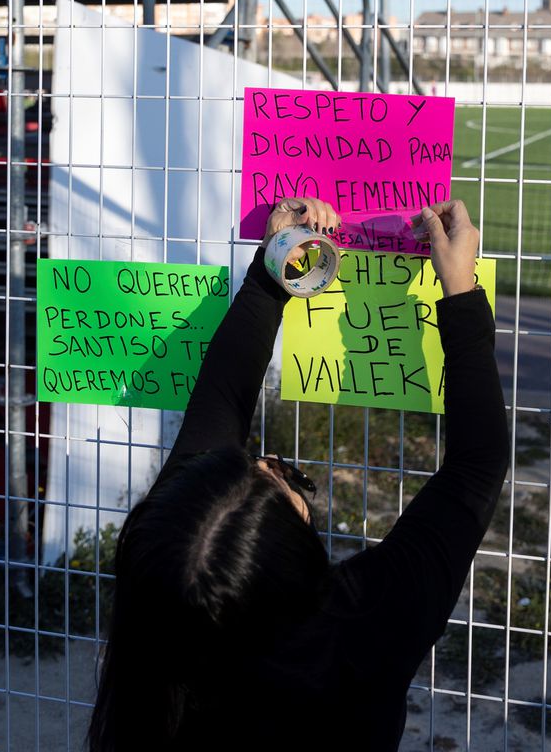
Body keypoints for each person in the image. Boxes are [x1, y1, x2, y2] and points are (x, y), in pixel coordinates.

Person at [87, 197, 510, 751]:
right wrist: (460, 291)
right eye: (281, 480)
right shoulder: (365, 623)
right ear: (296, 543)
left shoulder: (156, 618)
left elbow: (219, 402)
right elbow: (477, 466)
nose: (267, 463)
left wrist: (275, 264)